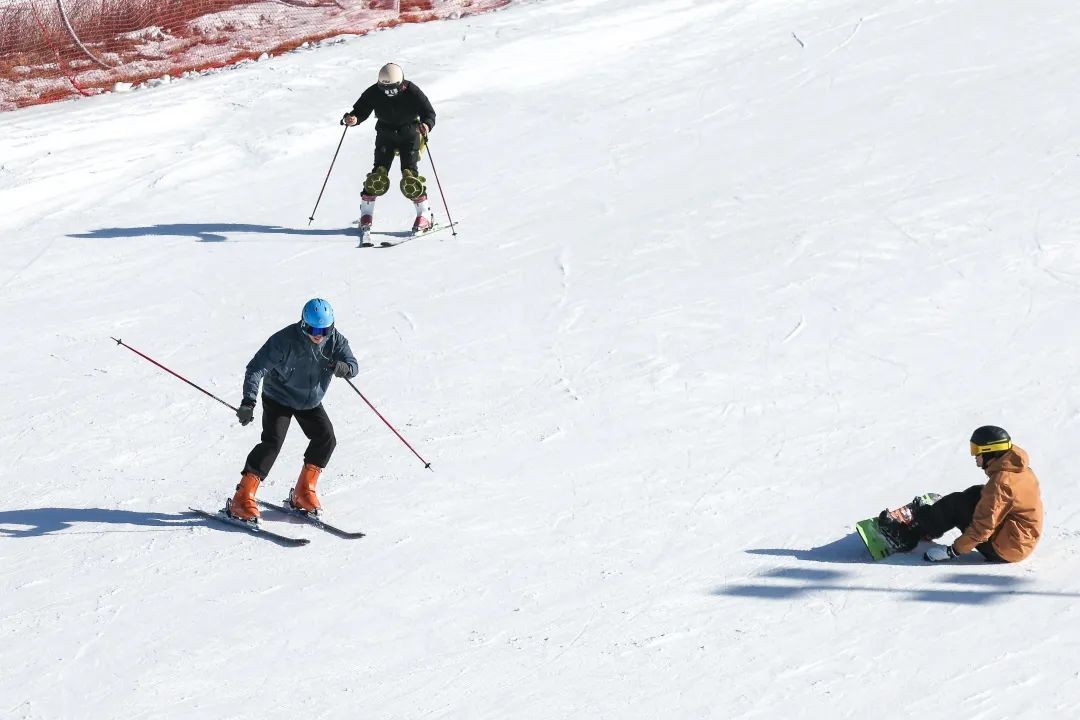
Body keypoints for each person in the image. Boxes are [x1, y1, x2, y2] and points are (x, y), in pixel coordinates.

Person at [226, 298, 358, 522]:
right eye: (314, 330)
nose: (319, 335)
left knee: (326, 439)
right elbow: (256, 368)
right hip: (279, 397)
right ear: (304, 324)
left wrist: (344, 367)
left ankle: (303, 492)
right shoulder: (284, 340)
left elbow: (353, 365)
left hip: (310, 400)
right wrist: (248, 401)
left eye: (324, 330)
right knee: (272, 442)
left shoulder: (335, 340)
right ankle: (242, 497)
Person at [917, 425, 1043, 563]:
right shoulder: (1019, 469)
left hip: (1005, 549)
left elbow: (983, 528)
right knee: (976, 493)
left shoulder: (1001, 483)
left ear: (990, 452)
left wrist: (952, 551)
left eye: (977, 450)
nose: (974, 456)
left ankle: (917, 528)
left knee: (957, 504)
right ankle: (932, 523)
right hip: (1022, 541)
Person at [342, 62, 437, 233]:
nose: (389, 93)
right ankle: (366, 214)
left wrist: (426, 125)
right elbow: (360, 109)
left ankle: (425, 214)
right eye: (385, 89)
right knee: (378, 174)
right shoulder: (374, 92)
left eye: (392, 89)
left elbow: (429, 113)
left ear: (401, 84)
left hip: (409, 134)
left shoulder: (412, 91)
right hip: (385, 134)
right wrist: (353, 118)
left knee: (410, 176)